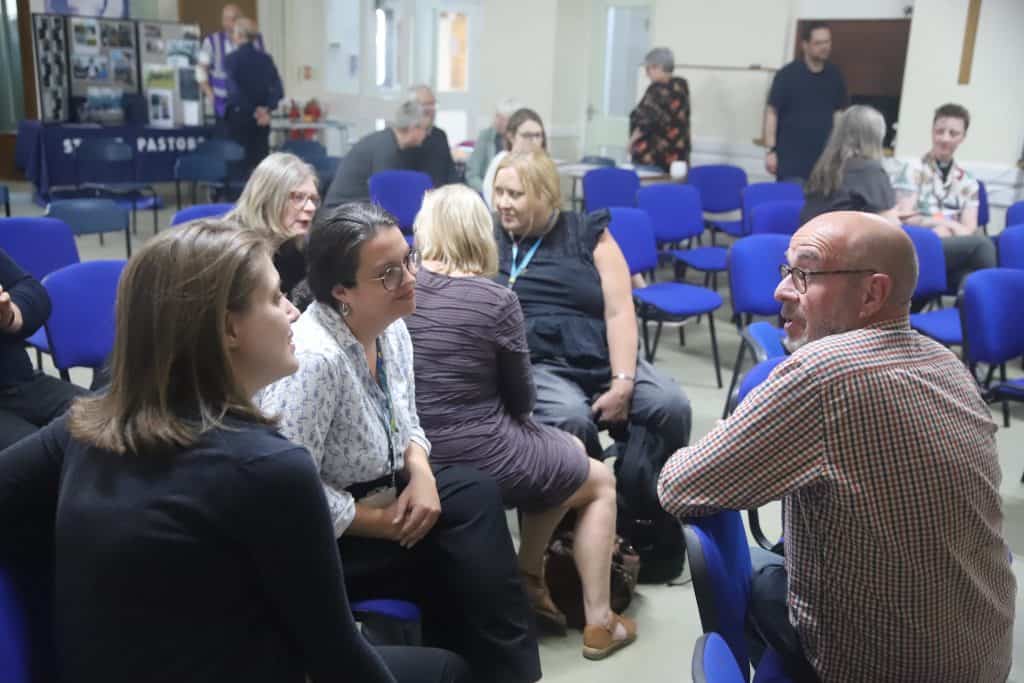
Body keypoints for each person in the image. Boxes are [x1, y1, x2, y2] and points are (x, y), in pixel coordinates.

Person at [0, 221, 473, 683]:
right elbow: (336, 655)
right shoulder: (268, 467)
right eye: (275, 297)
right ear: (229, 328)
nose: (293, 312)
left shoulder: (89, 423)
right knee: (447, 669)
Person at [657, 211, 1015, 682]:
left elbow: (678, 486)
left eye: (804, 274)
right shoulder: (946, 361)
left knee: (759, 579)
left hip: (883, 669)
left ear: (872, 294)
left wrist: (738, 425)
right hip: (983, 658)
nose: (780, 290)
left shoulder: (821, 372)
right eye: (786, 271)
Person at [256, 203, 542, 683]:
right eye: (389, 274)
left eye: (409, 260)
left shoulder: (391, 331)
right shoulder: (315, 362)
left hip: (387, 490)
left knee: (473, 494)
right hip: (334, 536)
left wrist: (423, 475)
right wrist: (381, 524)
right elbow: (287, 495)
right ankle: (482, 667)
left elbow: (407, 421)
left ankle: (505, 671)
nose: (410, 278)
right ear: (342, 291)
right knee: (461, 562)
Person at [406, 185, 636, 660]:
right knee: (598, 480)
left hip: (416, 452)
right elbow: (522, 400)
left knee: (565, 454)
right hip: (482, 452)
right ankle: (599, 621)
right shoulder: (495, 299)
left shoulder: (401, 292)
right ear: (479, 232)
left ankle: (529, 576)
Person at [492, 150, 691, 461]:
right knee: (572, 418)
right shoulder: (489, 237)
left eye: (515, 194)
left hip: (600, 354)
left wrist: (622, 382)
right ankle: (594, 490)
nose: (503, 203)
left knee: (670, 404)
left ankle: (644, 487)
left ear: (546, 195)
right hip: (538, 362)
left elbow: (619, 310)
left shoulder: (588, 233)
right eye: (499, 192)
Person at [892, 103, 996, 290]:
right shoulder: (912, 169)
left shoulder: (968, 181)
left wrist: (948, 229)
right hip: (919, 245)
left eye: (953, 133)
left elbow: (969, 228)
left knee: (969, 279)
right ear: (932, 131)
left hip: (951, 248)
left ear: (963, 137)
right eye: (939, 131)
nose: (945, 138)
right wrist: (943, 224)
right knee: (984, 245)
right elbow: (904, 217)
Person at [0, 248, 85, 450]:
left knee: (116, 423)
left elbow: (32, 291)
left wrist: (10, 315)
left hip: (19, 382)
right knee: (45, 456)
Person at [227, 151, 319, 310]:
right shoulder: (231, 250)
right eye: (298, 197)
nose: (311, 208)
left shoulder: (299, 248)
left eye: (313, 199)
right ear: (268, 198)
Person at [764, 22, 848, 183]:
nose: (824, 47)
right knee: (792, 198)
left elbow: (838, 114)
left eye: (827, 42)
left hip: (824, 162)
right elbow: (772, 113)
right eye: (818, 43)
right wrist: (771, 151)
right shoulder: (787, 75)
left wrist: (838, 148)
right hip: (791, 162)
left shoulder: (835, 76)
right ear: (805, 45)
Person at [800, 105, 898, 225]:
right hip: (845, 235)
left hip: (810, 234)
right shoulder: (871, 171)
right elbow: (891, 223)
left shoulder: (823, 167)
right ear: (877, 137)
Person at [324, 101, 429, 207]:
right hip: (341, 209)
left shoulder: (387, 141)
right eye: (426, 129)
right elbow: (385, 196)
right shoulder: (386, 148)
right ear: (413, 128)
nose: (427, 134)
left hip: (350, 207)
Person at [223, 18, 283, 175]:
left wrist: (253, 110)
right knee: (261, 168)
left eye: (234, 33)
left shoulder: (231, 59)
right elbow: (278, 89)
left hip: (240, 119)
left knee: (238, 168)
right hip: (262, 121)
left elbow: (234, 92)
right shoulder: (266, 59)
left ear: (240, 35)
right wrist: (266, 109)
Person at [196, 4, 265, 123]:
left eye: (233, 19)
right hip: (223, 107)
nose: (229, 23)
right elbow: (200, 71)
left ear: (242, 20)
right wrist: (210, 94)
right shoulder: (211, 41)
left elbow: (263, 70)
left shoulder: (256, 40)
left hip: (250, 107)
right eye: (226, 19)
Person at [629, 47, 691, 173]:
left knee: (649, 185)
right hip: (677, 158)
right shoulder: (682, 86)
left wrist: (630, 143)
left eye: (648, 69)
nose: (647, 74)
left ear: (658, 67)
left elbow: (644, 122)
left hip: (652, 156)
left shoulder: (656, 90)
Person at [482, 108, 547, 210]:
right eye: (527, 135)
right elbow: (494, 204)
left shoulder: (543, 163)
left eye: (538, 135)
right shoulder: (501, 161)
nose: (534, 141)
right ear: (511, 137)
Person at [403, 85, 457, 188]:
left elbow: (451, 171)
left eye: (433, 104)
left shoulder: (440, 135)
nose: (432, 109)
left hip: (442, 194)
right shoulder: (406, 137)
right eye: (426, 105)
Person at [464, 97, 521, 194]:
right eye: (497, 116)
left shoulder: (522, 140)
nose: (498, 121)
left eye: (503, 119)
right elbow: (472, 174)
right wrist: (489, 192)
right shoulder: (485, 136)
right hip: (486, 191)